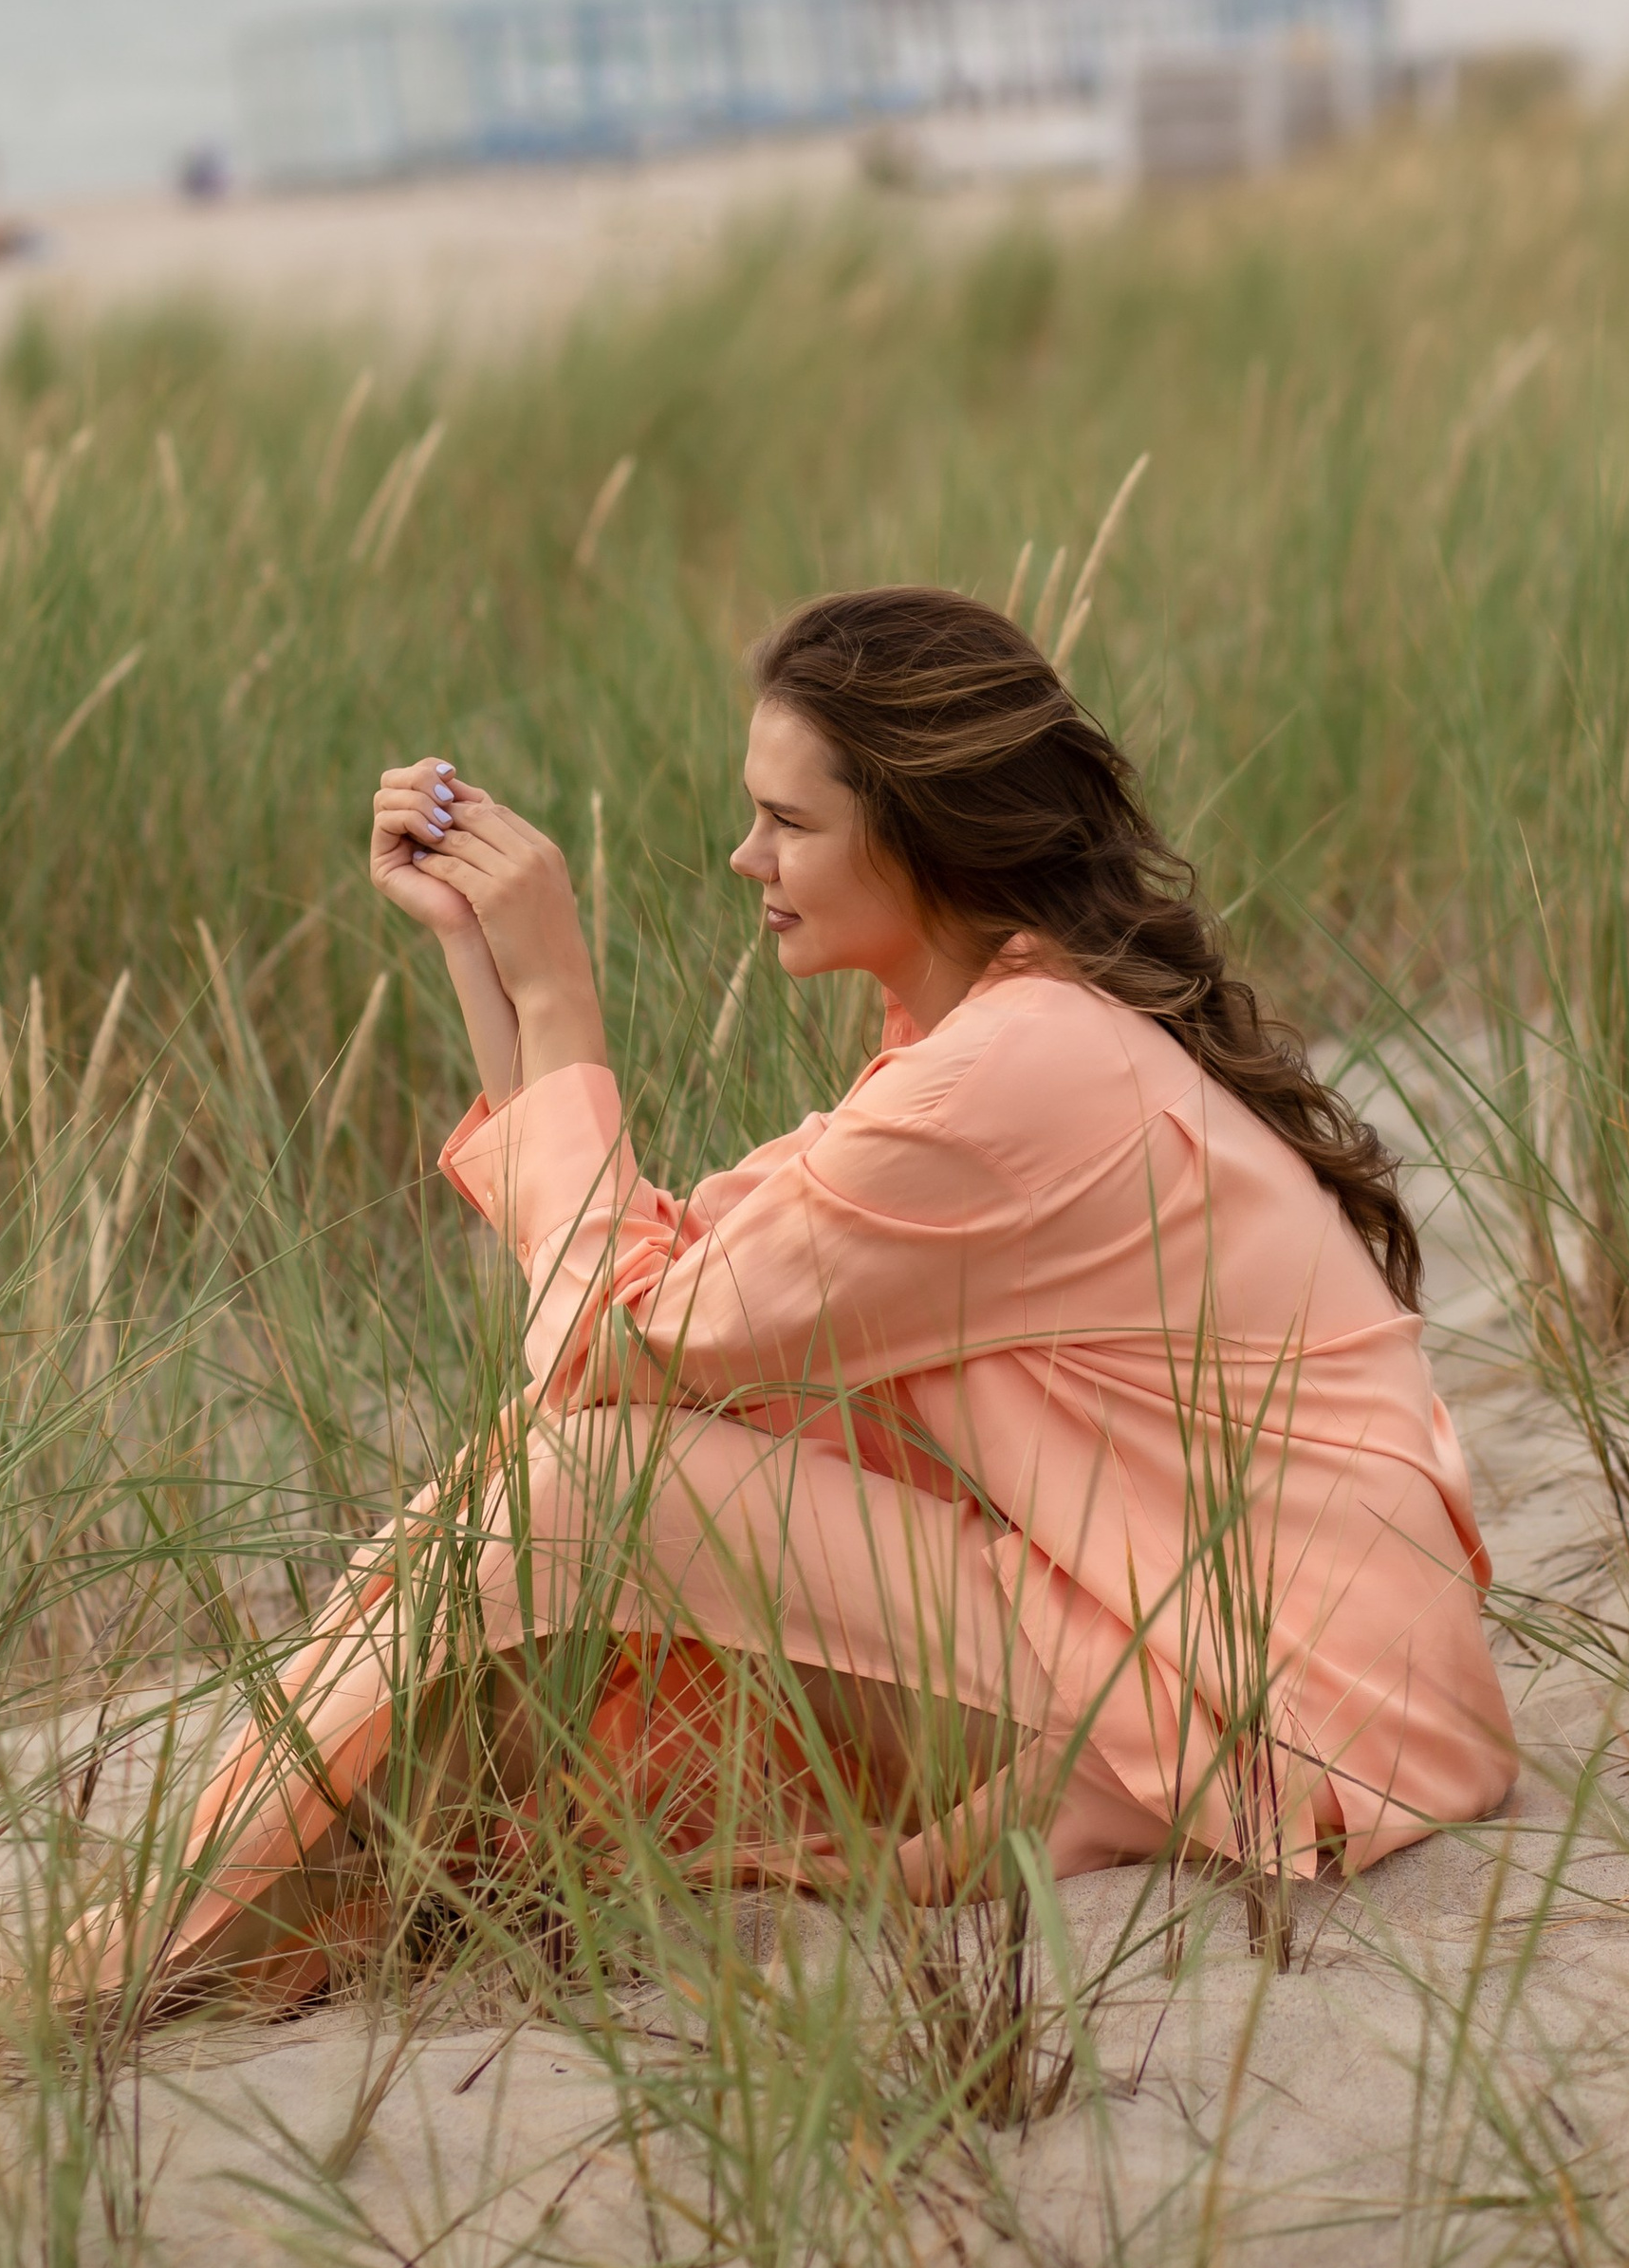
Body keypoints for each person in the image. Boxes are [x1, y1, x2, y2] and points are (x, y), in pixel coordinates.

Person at [75, 587, 1517, 2010]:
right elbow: (661, 1277)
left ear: (923, 832)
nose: (744, 856)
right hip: (1231, 1654)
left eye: (791, 823)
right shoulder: (1011, 1035)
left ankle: (182, 1939)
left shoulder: (1010, 1075)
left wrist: (562, 988)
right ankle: (258, 1900)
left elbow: (611, 1338)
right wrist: (480, 955)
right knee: (577, 1466)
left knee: (585, 1481)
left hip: (1288, 1712)